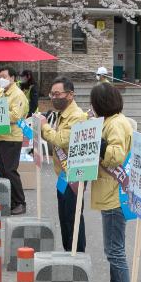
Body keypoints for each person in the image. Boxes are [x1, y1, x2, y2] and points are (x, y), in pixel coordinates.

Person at [88, 81, 134, 282]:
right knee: (112, 249)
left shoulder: (115, 124)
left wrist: (98, 140)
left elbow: (115, 155)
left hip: (115, 194)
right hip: (110, 192)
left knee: (115, 250)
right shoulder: (110, 122)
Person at [40, 76, 88, 252]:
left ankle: (77, 254)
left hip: (74, 175)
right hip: (63, 175)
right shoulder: (62, 114)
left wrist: (44, 126)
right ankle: (68, 252)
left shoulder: (76, 116)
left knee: (73, 218)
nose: (53, 97)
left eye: (57, 94)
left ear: (70, 95)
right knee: (65, 217)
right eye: (51, 94)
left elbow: (60, 140)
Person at [0, 63, 28, 215]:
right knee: (2, 171)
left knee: (10, 170)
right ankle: (7, 201)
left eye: (4, 77)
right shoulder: (0, 92)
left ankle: (20, 202)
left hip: (12, 137)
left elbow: (16, 116)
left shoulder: (18, 94)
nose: (1, 80)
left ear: (12, 78)